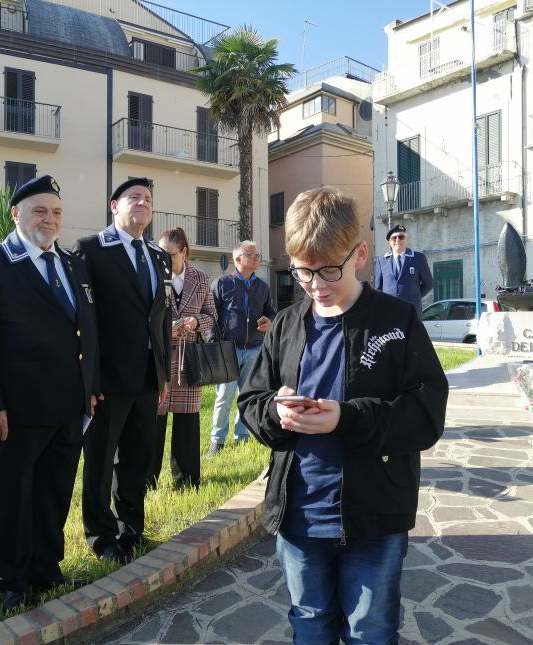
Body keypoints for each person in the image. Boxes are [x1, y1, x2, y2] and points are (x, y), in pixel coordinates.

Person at [238, 187, 448, 643]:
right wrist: (276, 414)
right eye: (303, 272)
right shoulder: (288, 325)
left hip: (375, 516)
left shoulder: (397, 321)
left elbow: (427, 414)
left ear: (360, 253)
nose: (316, 284)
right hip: (300, 517)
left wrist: (347, 419)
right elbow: (250, 401)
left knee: (371, 630)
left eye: (329, 268)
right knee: (309, 622)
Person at [0, 176, 100, 610]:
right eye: (40, 210)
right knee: (13, 497)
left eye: (56, 212)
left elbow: (87, 331)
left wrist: (90, 389)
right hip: (15, 413)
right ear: (16, 214)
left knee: (54, 492)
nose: (50, 219)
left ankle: (46, 568)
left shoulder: (72, 264)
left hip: (68, 406)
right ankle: (12, 580)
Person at [73, 177, 170, 564]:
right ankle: (101, 535)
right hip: (108, 379)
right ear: (114, 206)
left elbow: (160, 319)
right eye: (134, 197)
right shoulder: (91, 250)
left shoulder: (156, 255)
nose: (142, 203)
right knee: (100, 459)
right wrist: (89, 380)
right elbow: (84, 320)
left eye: (148, 198)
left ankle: (132, 530)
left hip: (147, 376)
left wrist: (163, 375)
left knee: (136, 458)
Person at [149, 228, 217, 490]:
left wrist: (195, 321)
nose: (163, 261)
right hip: (159, 358)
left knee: (187, 424)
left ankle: (186, 481)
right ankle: (147, 480)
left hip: (189, 360)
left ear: (184, 252)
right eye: (160, 255)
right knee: (154, 421)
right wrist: (166, 328)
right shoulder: (153, 277)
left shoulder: (201, 279)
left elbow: (212, 317)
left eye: (169, 256)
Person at [208, 241, 276, 458]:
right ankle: (216, 442)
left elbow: (271, 312)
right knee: (224, 398)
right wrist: (214, 345)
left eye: (257, 255)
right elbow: (211, 315)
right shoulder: (222, 283)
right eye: (252, 255)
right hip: (228, 350)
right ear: (238, 259)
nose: (257, 259)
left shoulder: (262, 286)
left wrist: (270, 323)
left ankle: (242, 437)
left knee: (246, 397)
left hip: (255, 349)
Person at [373, 224, 434, 315]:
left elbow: (429, 284)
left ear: (406, 240)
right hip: (389, 311)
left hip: (411, 311)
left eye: (401, 237)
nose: (397, 240)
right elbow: (378, 288)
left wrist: (415, 297)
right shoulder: (381, 261)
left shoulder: (418, 258)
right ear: (389, 242)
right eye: (394, 238)